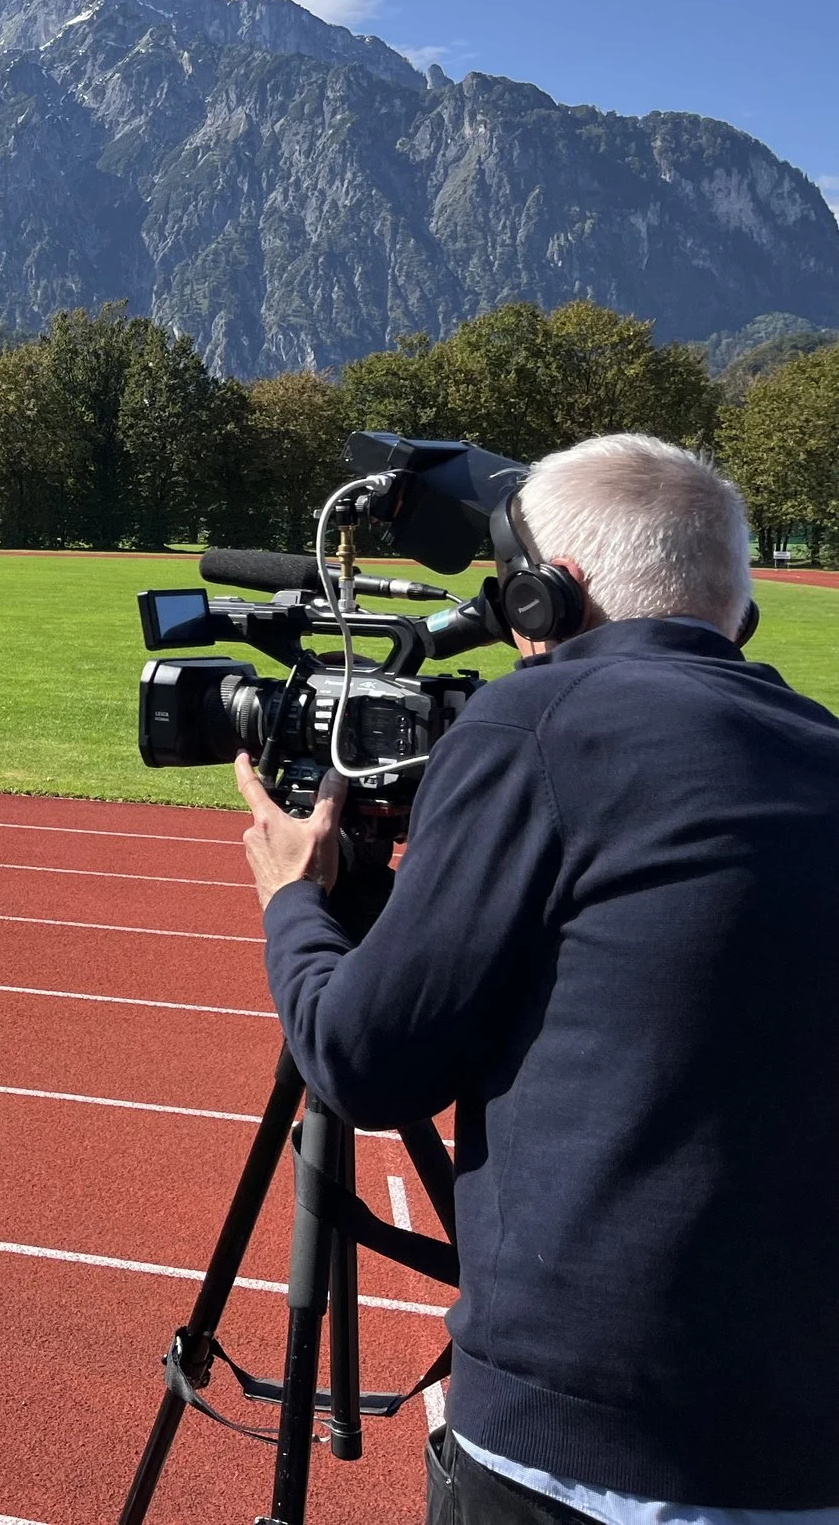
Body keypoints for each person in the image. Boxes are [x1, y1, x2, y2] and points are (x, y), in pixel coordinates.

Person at [234, 433, 839, 1523]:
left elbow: (364, 1063)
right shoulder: (818, 742)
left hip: (588, 1449)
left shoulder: (539, 718)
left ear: (543, 597)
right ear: (735, 613)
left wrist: (295, 902)